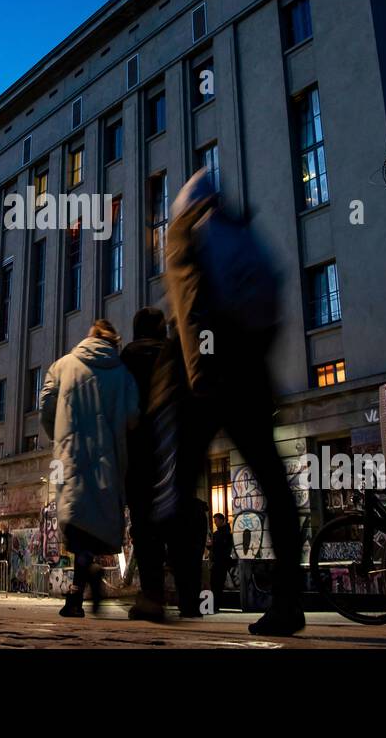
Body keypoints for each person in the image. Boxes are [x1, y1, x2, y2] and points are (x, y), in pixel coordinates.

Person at [164, 168, 305, 636]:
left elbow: (194, 305)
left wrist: (202, 374)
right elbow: (274, 290)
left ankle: (171, 591)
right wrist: (260, 362)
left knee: (179, 483)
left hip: (215, 371)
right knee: (272, 480)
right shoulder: (238, 229)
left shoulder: (189, 235)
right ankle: (290, 601)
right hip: (249, 367)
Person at [40, 319, 140, 618]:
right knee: (91, 526)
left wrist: (58, 434)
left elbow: (46, 405)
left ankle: (76, 595)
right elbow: (134, 417)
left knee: (74, 522)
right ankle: (88, 577)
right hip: (107, 460)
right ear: (114, 341)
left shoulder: (63, 365)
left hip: (67, 456)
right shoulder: (123, 374)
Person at [119, 306, 172, 621]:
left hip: (137, 451)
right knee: (168, 519)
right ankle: (185, 595)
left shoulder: (127, 358)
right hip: (169, 449)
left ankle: (151, 593)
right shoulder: (172, 354)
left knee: (142, 522)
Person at [209, 513, 235, 598]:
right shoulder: (217, 533)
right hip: (217, 562)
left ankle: (216, 603)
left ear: (221, 520)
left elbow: (224, 548)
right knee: (214, 584)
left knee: (217, 584)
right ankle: (215, 603)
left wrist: (213, 546)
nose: (215, 523)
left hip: (221, 563)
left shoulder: (226, 534)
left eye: (216, 521)